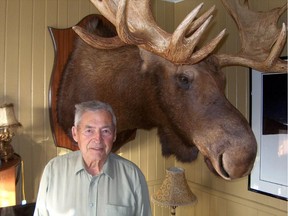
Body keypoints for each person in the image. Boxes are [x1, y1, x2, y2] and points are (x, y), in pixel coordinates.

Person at [34, 100, 152, 216]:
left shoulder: (132, 176)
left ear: (114, 134)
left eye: (105, 131)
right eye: (89, 130)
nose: (98, 139)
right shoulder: (53, 171)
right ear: (75, 134)